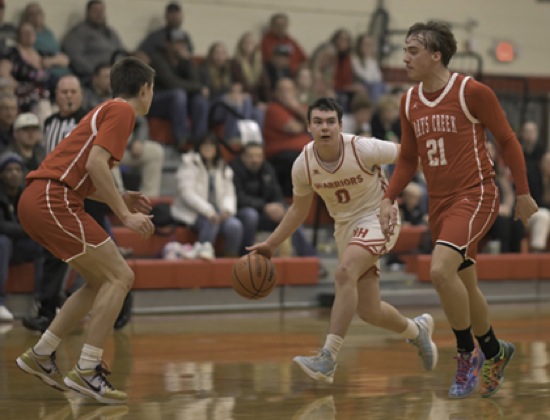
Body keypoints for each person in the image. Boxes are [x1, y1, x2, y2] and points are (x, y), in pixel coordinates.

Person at [379, 21, 538, 399]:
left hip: (476, 194)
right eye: (404, 51)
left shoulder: (471, 91)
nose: (405, 58)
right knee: (465, 284)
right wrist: (389, 197)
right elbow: (408, 158)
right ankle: (495, 351)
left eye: (413, 51)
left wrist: (523, 192)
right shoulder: (409, 100)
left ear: (436, 55)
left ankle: (467, 355)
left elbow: (507, 139)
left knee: (439, 270)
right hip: (439, 202)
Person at [248, 97, 437, 384]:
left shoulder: (362, 147)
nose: (325, 127)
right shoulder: (303, 165)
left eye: (330, 122)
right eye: (318, 122)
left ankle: (328, 358)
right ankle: (417, 331)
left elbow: (412, 156)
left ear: (340, 125)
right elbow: (298, 210)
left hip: (378, 217)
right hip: (345, 228)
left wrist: (397, 196)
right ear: (309, 126)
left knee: (345, 271)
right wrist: (271, 244)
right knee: (370, 311)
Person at [15, 57, 156, 404]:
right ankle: (88, 369)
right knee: (121, 276)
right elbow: (95, 164)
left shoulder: (104, 110)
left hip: (41, 198)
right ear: (145, 89)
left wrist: (119, 196)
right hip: (53, 198)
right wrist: (125, 214)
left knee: (99, 281)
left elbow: (84, 172)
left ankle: (42, 353)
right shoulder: (123, 111)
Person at [230, 141, 316, 257]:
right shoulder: (234, 170)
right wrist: (264, 206)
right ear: (243, 157)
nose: (255, 160)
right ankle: (245, 254)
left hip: (265, 213)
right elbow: (238, 198)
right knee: (250, 215)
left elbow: (276, 192)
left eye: (258, 156)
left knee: (291, 213)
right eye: (251, 156)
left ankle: (309, 256)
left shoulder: (267, 168)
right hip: (241, 212)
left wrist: (280, 206)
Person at [170, 134, 243, 259]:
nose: (208, 149)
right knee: (211, 222)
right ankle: (203, 255)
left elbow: (229, 193)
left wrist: (226, 210)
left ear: (216, 148)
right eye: (205, 145)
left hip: (218, 211)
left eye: (211, 146)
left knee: (235, 226)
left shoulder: (223, 167)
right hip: (193, 211)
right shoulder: (188, 165)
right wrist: (208, 211)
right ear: (199, 147)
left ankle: (231, 259)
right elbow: (187, 194)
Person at [0, 151, 43, 321]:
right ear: (1, 174)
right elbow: (2, 226)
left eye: (17, 170)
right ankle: (0, 302)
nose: (14, 174)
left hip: (19, 245)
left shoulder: (27, 194)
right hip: (3, 245)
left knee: (44, 245)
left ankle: (42, 301)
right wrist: (27, 229)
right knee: (3, 243)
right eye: (9, 170)